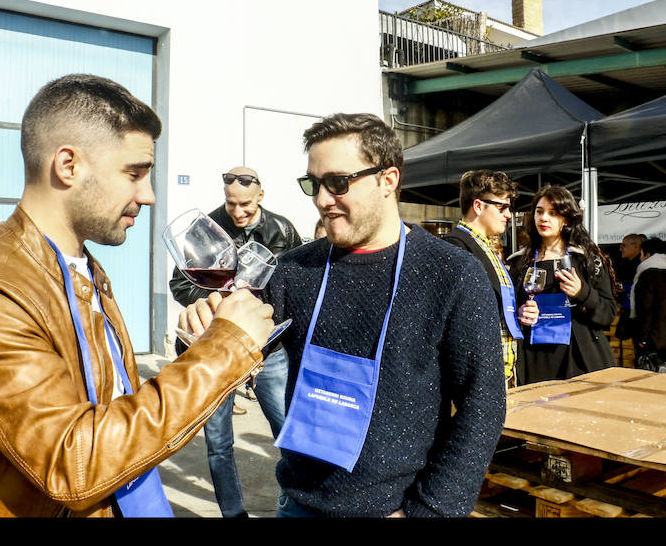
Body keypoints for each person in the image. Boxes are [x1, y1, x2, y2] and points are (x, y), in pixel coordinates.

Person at [0, 74, 274, 517]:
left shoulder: (85, 270)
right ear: (68, 165)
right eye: (134, 174)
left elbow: (114, 412)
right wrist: (225, 351)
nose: (147, 196)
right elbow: (75, 463)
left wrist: (203, 345)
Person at [182, 112, 506, 518]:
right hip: (298, 505)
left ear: (388, 181)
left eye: (337, 183)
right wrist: (203, 323)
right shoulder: (296, 270)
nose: (321, 199)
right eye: (313, 184)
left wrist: (430, 510)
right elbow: (238, 344)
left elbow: (484, 404)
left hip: (394, 509)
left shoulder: (451, 274)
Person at [168, 166, 301, 518]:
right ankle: (234, 515)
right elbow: (181, 284)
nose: (238, 212)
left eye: (245, 204)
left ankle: (294, 505)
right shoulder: (204, 230)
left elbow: (299, 285)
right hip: (215, 350)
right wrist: (214, 298)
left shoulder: (283, 229)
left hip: (267, 350)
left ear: (261, 196)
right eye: (231, 204)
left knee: (289, 436)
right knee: (218, 445)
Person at [507, 185, 618, 385]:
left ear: (566, 219)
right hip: (534, 359)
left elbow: (608, 313)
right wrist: (520, 313)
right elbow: (508, 312)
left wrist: (583, 292)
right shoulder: (518, 263)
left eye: (553, 213)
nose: (544, 218)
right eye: (539, 212)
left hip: (578, 359)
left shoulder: (587, 260)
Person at [442, 170, 539, 388]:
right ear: (478, 206)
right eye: (501, 207)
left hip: (501, 373)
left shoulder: (484, 246)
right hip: (477, 378)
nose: (508, 214)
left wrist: (518, 312)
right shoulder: (455, 246)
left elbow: (491, 306)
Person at [631, 237, 666, 373]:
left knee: (647, 377)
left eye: (641, 254)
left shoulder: (646, 277)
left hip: (651, 338)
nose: (640, 259)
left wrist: (642, 338)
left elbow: (645, 310)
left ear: (648, 255)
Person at [614, 233, 646, 342]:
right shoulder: (623, 263)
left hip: (639, 314)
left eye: (624, 246)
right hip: (627, 310)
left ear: (636, 246)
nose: (621, 249)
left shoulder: (643, 265)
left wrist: (625, 289)